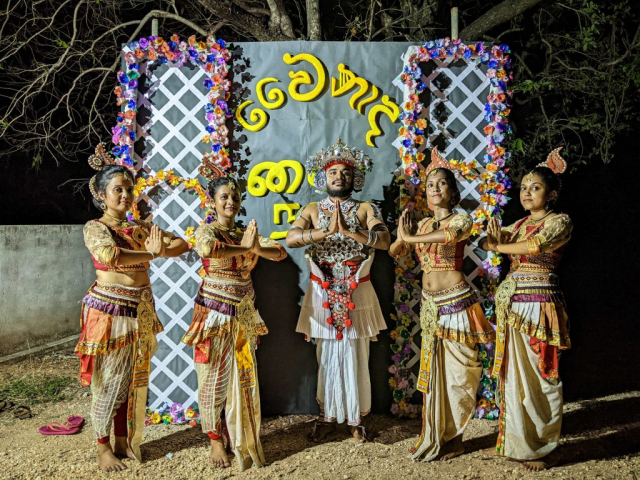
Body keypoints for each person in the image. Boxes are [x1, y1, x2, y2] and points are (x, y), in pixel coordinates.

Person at [75, 143, 189, 472]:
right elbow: (111, 256)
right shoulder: (96, 227)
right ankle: (102, 448)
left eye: (128, 189)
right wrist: (153, 253)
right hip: (110, 312)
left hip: (139, 310)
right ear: (101, 195)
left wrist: (162, 248)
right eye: (117, 190)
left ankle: (123, 442)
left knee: (131, 380)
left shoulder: (139, 228)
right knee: (109, 381)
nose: (125, 195)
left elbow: (181, 243)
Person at [389, 147, 495, 461]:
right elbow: (396, 252)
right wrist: (402, 237)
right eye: (430, 184)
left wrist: (411, 239)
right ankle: (439, 435)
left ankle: (456, 438)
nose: (435, 188)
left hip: (456, 304)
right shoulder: (422, 226)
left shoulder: (461, 219)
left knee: (458, 375)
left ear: (453, 192)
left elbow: (449, 236)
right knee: (436, 376)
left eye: (442, 183)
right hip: (431, 307)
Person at [181, 160, 287, 471]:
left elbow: (279, 252)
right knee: (213, 378)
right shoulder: (207, 230)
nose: (231, 201)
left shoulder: (245, 232)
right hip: (214, 314)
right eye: (224, 196)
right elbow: (208, 249)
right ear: (213, 202)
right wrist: (245, 248)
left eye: (235, 197)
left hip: (243, 315)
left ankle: (240, 436)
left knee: (243, 379)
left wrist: (256, 247)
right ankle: (215, 440)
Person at [286, 138, 389, 443]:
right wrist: (325, 231)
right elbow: (291, 238)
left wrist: (350, 231)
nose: (339, 177)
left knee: (357, 352)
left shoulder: (366, 208)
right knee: (326, 353)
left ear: (354, 178)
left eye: (345, 172)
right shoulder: (313, 209)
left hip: (357, 287)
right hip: (323, 288)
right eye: (333, 172)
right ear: (324, 177)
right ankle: (327, 417)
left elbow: (384, 241)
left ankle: (356, 419)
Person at [481, 147, 572, 471]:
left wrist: (498, 245)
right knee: (513, 377)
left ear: (552, 194)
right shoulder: (519, 224)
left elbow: (536, 246)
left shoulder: (560, 222)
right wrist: (493, 239)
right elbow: (490, 241)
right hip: (514, 306)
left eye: (535, 187)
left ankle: (541, 448)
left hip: (539, 306)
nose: (527, 193)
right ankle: (516, 444)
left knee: (540, 374)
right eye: (523, 188)